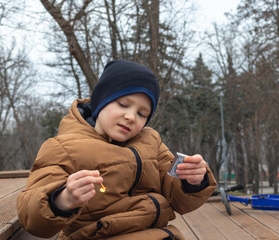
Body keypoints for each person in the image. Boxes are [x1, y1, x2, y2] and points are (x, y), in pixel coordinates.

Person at [17, 59, 217, 240]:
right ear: (100, 102)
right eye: (123, 104)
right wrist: (62, 199)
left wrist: (193, 181)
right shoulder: (63, 147)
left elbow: (179, 199)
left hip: (158, 233)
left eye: (141, 113)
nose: (131, 117)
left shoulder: (151, 141)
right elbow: (32, 218)